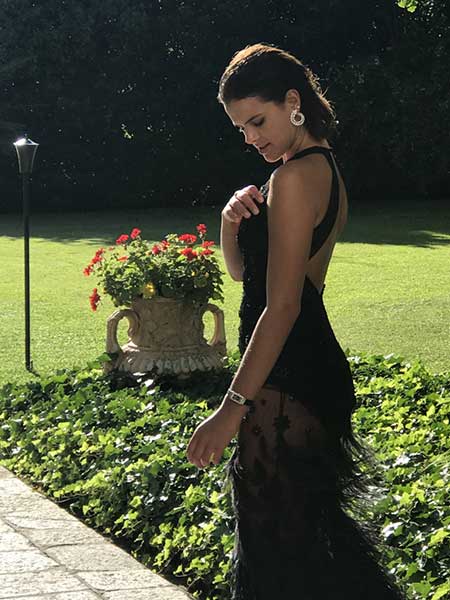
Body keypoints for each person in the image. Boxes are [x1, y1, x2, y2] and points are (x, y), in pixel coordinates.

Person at [187, 43, 408, 599]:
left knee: (280, 561)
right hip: (296, 375)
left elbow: (282, 306)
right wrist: (230, 223)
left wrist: (230, 409)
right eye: (241, 128)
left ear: (293, 103)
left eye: (257, 121)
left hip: (288, 381)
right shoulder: (312, 169)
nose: (250, 138)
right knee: (305, 553)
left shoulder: (295, 178)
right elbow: (245, 275)